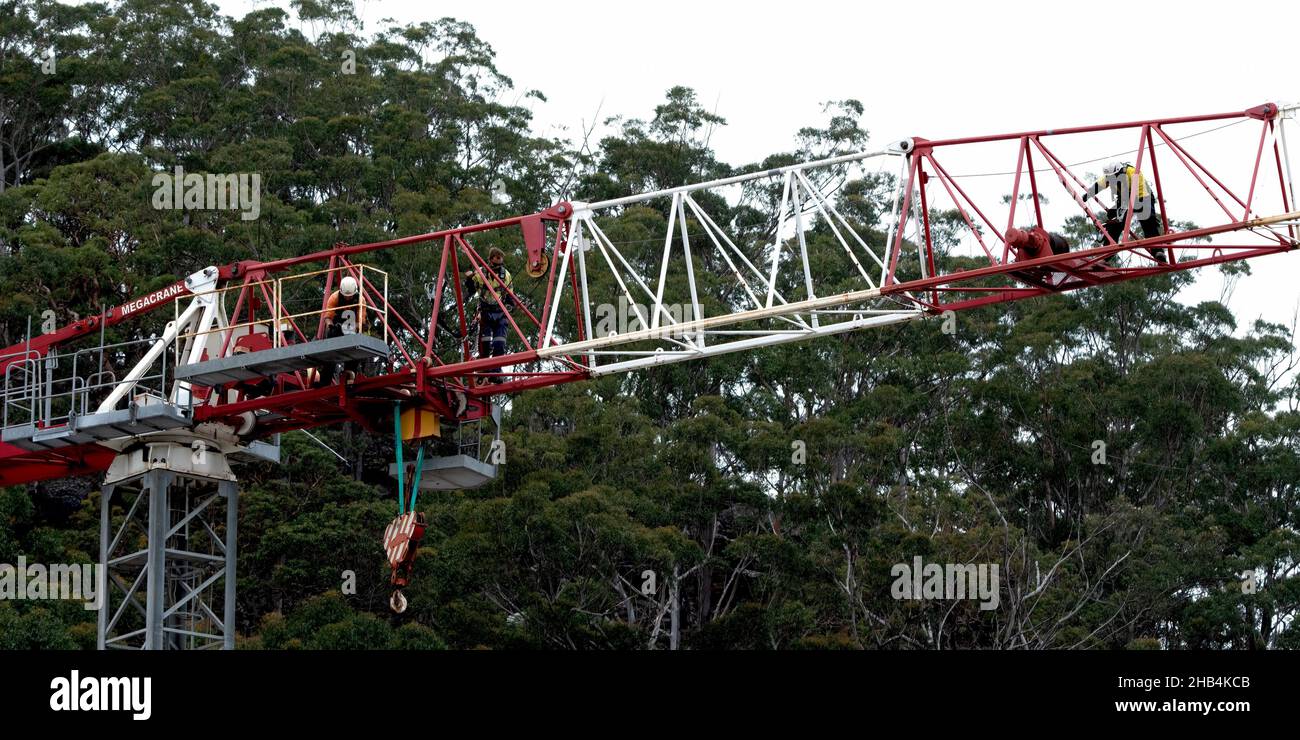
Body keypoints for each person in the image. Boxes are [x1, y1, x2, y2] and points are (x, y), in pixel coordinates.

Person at [1082, 161, 1167, 264]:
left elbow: (1135, 195)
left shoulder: (1133, 173)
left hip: (1143, 196)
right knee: (1114, 225)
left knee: (1148, 221)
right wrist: (1088, 194)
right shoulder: (1109, 176)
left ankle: (1158, 251)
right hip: (1125, 199)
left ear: (1121, 171)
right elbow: (1099, 184)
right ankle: (1106, 256)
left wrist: (1122, 209)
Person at [463, 248, 514, 384]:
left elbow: (509, 294)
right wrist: (468, 279)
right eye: (496, 257)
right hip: (486, 312)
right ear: (491, 258)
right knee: (485, 343)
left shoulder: (506, 275)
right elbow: (471, 288)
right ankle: (484, 370)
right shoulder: (480, 273)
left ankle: (496, 373)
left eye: (500, 258)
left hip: (500, 313)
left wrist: (510, 305)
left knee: (499, 343)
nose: (499, 260)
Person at [315, 275, 360, 386]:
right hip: (336, 329)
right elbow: (328, 317)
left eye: (350, 296)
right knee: (330, 355)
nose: (348, 298)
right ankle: (325, 381)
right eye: (346, 296)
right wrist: (331, 326)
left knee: (354, 354)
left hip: (352, 330)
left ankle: (349, 379)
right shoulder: (334, 298)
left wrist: (352, 328)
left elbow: (361, 320)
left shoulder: (360, 300)